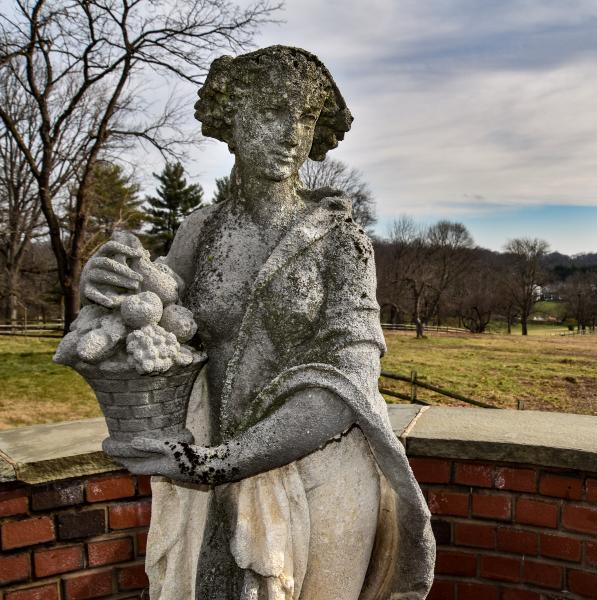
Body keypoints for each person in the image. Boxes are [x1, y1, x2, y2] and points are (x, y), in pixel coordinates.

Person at [80, 45, 435, 600]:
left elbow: (347, 387)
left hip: (321, 478)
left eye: (304, 118)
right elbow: (158, 319)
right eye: (272, 113)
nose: (291, 134)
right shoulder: (202, 230)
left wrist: (218, 464)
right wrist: (109, 284)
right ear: (233, 120)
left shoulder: (341, 242)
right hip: (209, 474)